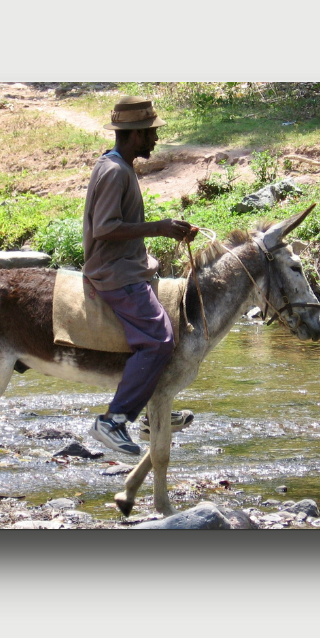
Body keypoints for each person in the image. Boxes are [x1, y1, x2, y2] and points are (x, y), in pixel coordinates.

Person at [83, 95, 196, 456]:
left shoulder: (117, 164)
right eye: (150, 134)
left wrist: (165, 229)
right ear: (134, 134)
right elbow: (104, 228)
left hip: (128, 266)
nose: (155, 140)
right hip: (116, 273)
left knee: (169, 326)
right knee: (159, 340)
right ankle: (113, 420)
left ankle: (152, 408)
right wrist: (159, 229)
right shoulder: (116, 171)